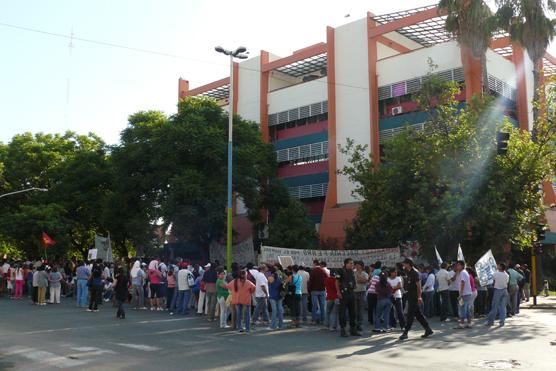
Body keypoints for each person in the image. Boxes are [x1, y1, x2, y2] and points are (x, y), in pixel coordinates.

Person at [399, 258, 433, 340]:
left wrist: (419, 296)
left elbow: (418, 286)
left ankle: (405, 332)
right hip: (410, 296)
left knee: (410, 315)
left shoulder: (415, 272)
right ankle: (428, 329)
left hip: (414, 297)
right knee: (418, 315)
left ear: (408, 264)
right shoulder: (409, 272)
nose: (403, 265)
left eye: (404, 263)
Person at [336, 258, 360, 337]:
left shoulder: (352, 272)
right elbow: (336, 281)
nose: (352, 265)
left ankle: (353, 329)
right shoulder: (340, 271)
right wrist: (338, 292)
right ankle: (343, 330)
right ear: (346, 264)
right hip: (343, 294)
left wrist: (354, 285)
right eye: (350, 263)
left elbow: (353, 281)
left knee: (353, 312)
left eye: (352, 263)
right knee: (342, 312)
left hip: (351, 293)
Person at [485, 263, 510, 327]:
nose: (497, 266)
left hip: (498, 290)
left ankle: (491, 321)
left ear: (501, 267)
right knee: (503, 307)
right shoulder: (507, 275)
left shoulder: (496, 273)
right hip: (505, 290)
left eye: (498, 265)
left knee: (494, 306)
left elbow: (492, 279)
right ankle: (502, 322)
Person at [309, 260, 327, 326]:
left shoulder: (313, 271)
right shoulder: (323, 270)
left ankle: (314, 320)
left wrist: (309, 289)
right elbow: (327, 278)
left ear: (315, 264)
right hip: (322, 290)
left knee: (314, 306)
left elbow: (310, 281)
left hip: (314, 290)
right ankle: (323, 320)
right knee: (322, 306)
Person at [353, 261, 368, 332]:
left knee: (361, 309)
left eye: (358, 265)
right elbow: (354, 282)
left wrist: (359, 277)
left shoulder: (365, 273)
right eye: (356, 265)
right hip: (354, 292)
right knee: (355, 309)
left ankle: (360, 324)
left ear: (361, 266)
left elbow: (364, 281)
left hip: (362, 292)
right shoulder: (353, 273)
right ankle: (355, 324)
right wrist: (359, 279)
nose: (356, 266)